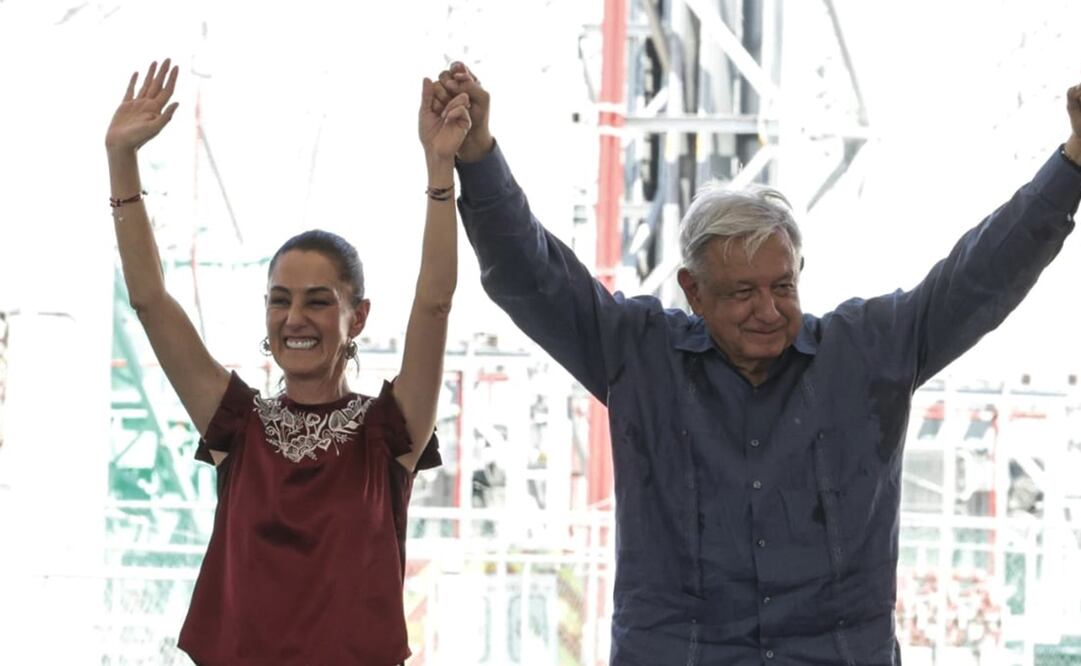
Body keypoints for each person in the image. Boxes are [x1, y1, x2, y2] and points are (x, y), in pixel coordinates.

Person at [435, 62, 1081, 665]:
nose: (768, 310)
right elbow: (533, 276)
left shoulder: (866, 352)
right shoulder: (638, 352)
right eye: (741, 293)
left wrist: (1072, 164)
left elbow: (980, 275)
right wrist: (477, 157)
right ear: (691, 291)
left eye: (782, 286)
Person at [105, 59, 471, 665]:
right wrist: (122, 160)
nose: (294, 318)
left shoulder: (391, 432)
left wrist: (441, 173)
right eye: (280, 300)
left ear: (360, 315)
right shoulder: (236, 425)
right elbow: (149, 301)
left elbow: (434, 304)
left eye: (318, 302)